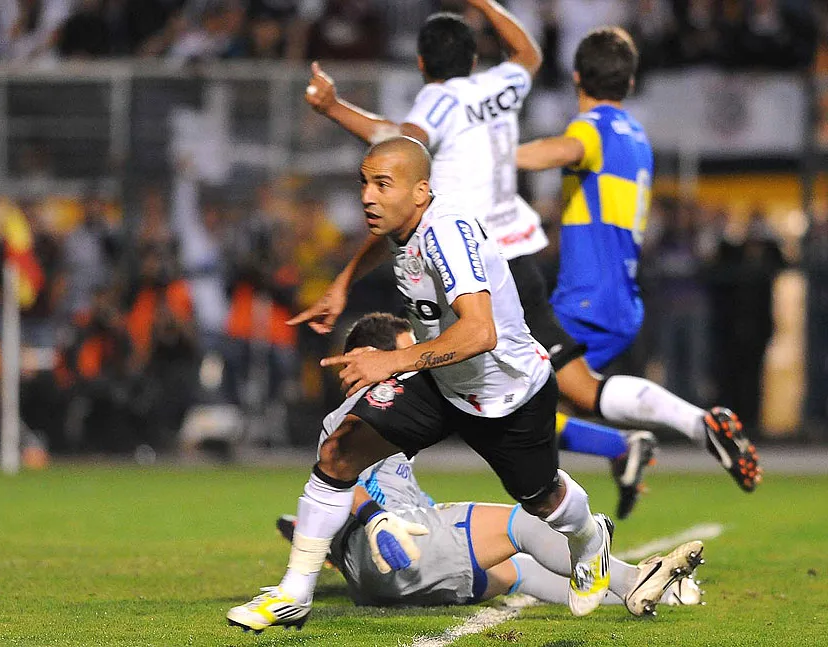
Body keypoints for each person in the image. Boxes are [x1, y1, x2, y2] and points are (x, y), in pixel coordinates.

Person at [303, 3, 758, 514]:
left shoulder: (438, 99)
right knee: (556, 386)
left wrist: (333, 107)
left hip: (471, 260)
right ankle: (636, 443)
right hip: (518, 257)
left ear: (421, 64)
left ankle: (355, 496)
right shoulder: (500, 87)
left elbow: (400, 143)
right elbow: (528, 53)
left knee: (472, 375)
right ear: (475, 58)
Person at [227, 137, 611, 633]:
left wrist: (394, 361)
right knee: (339, 455)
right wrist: (343, 283)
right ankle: (294, 594)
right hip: (443, 380)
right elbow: (380, 239)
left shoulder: (446, 235)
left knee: (543, 500)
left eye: (382, 184)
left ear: (421, 192)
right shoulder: (402, 219)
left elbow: (480, 331)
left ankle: (590, 539)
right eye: (364, 183)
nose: (368, 196)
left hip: (507, 393)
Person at [273, 312, 705, 616]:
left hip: (384, 575)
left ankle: (663, 592)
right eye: (405, 354)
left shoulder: (392, 416)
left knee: (518, 572)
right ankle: (632, 581)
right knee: (529, 524)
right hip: (396, 551)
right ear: (371, 357)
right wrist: (371, 518)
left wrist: (319, 535)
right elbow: (342, 484)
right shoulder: (355, 416)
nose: (415, 363)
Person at [516, 27, 761, 491]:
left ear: (575, 78)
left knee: (513, 408)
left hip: (586, 296)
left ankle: (692, 426)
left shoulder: (591, 128)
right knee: (547, 405)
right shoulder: (637, 137)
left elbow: (567, 149)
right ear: (629, 83)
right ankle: (635, 444)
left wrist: (495, 157)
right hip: (621, 295)